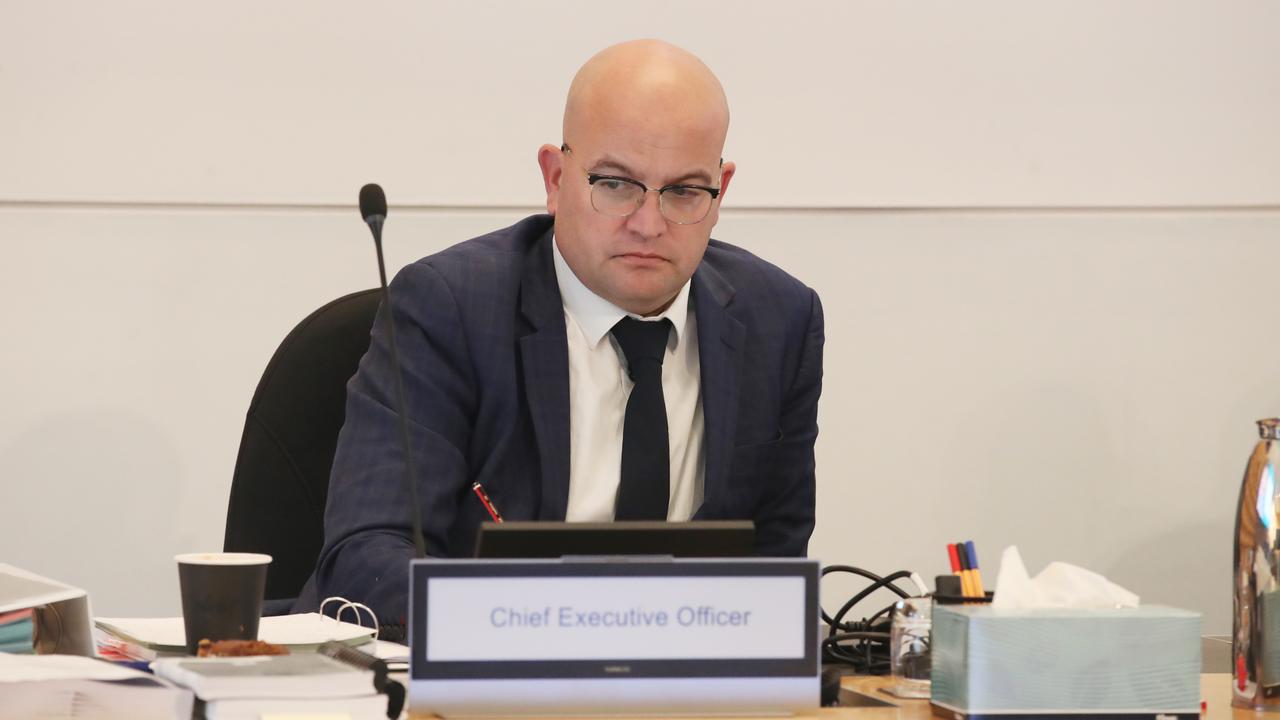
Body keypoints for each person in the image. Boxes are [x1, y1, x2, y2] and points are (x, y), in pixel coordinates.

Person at [296, 40, 824, 627]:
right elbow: (366, 556)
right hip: (484, 682)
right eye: (616, 184)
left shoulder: (779, 320)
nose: (649, 225)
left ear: (721, 189)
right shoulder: (450, 308)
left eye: (683, 192)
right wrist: (565, 631)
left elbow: (774, 567)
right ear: (554, 177)